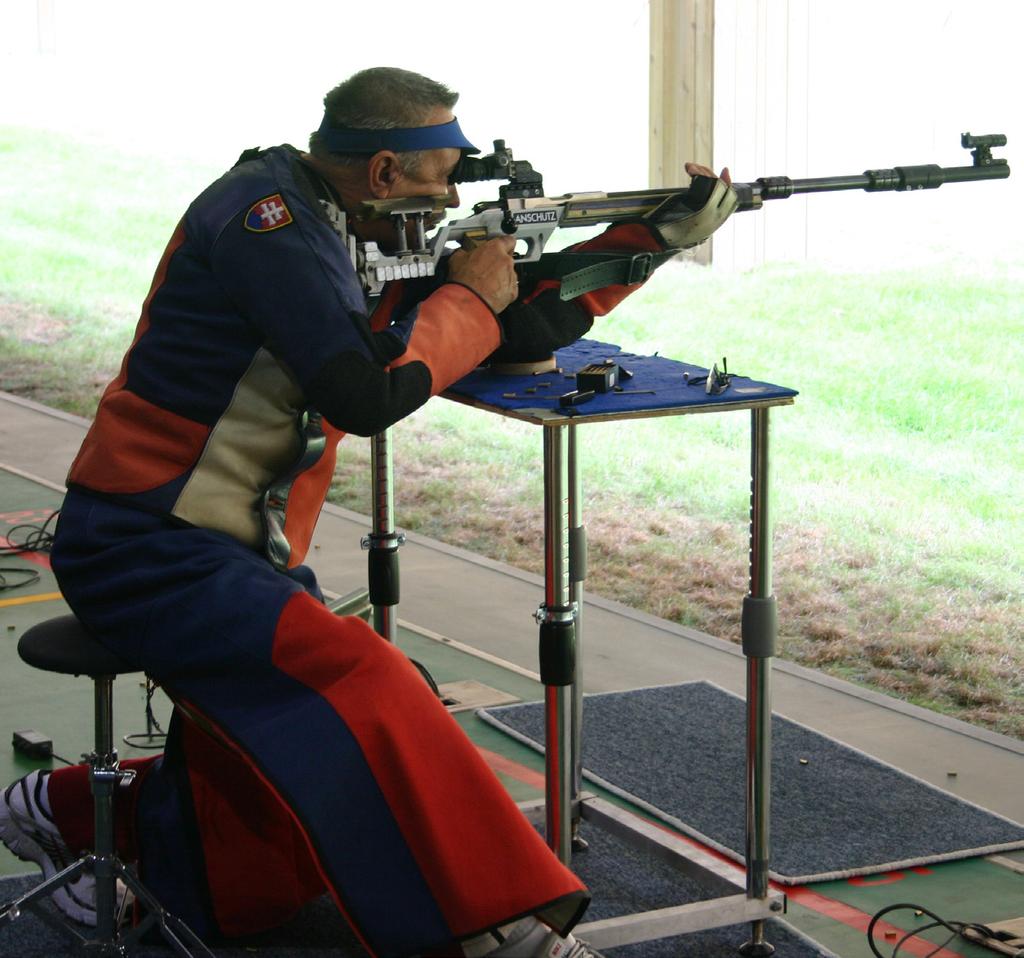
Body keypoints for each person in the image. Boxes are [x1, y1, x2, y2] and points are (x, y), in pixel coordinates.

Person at [0, 68, 735, 957]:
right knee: (364, 683)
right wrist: (466, 295)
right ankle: (507, 933)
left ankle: (70, 808)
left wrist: (646, 242)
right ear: (383, 171)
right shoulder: (265, 221)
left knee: (357, 709)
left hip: (230, 553)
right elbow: (364, 392)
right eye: (439, 176)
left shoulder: (344, 222)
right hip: (145, 540)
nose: (453, 194)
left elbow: (517, 327)